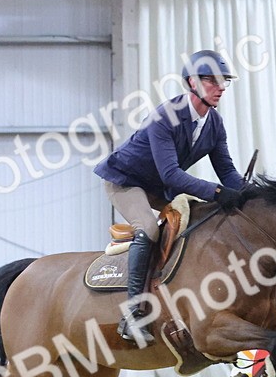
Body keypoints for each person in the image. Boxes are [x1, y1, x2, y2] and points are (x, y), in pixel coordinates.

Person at [94, 49, 249, 345]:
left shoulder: (214, 123)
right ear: (192, 82)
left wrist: (247, 195)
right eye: (212, 81)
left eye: (224, 82)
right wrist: (218, 192)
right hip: (126, 181)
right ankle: (133, 315)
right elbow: (172, 176)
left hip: (161, 187)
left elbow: (227, 171)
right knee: (150, 229)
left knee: (201, 222)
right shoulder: (165, 117)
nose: (220, 88)